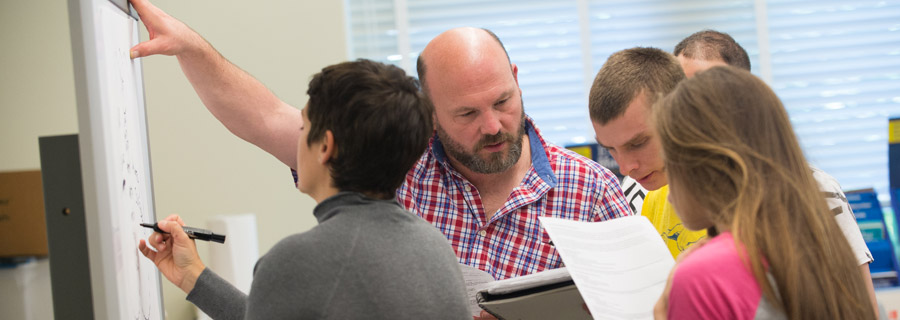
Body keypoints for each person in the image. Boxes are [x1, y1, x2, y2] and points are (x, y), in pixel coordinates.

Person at [128, 0, 632, 281]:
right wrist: (191, 49)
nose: (494, 126)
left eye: (502, 101)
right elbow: (264, 118)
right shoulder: (394, 162)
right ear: (428, 111)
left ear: (517, 78)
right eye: (466, 113)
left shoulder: (591, 192)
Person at [138, 59, 470, 319]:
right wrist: (192, 276)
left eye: (303, 125)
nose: (298, 138)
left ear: (324, 146)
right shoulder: (435, 247)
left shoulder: (296, 261)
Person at [673, 29, 879, 314]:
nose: (694, 104)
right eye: (682, 91)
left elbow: (860, 305)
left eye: (712, 90)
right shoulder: (668, 189)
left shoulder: (816, 189)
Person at [589, 47, 707, 258]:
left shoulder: (754, 195)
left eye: (638, 143)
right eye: (611, 149)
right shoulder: (650, 197)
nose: (625, 168)